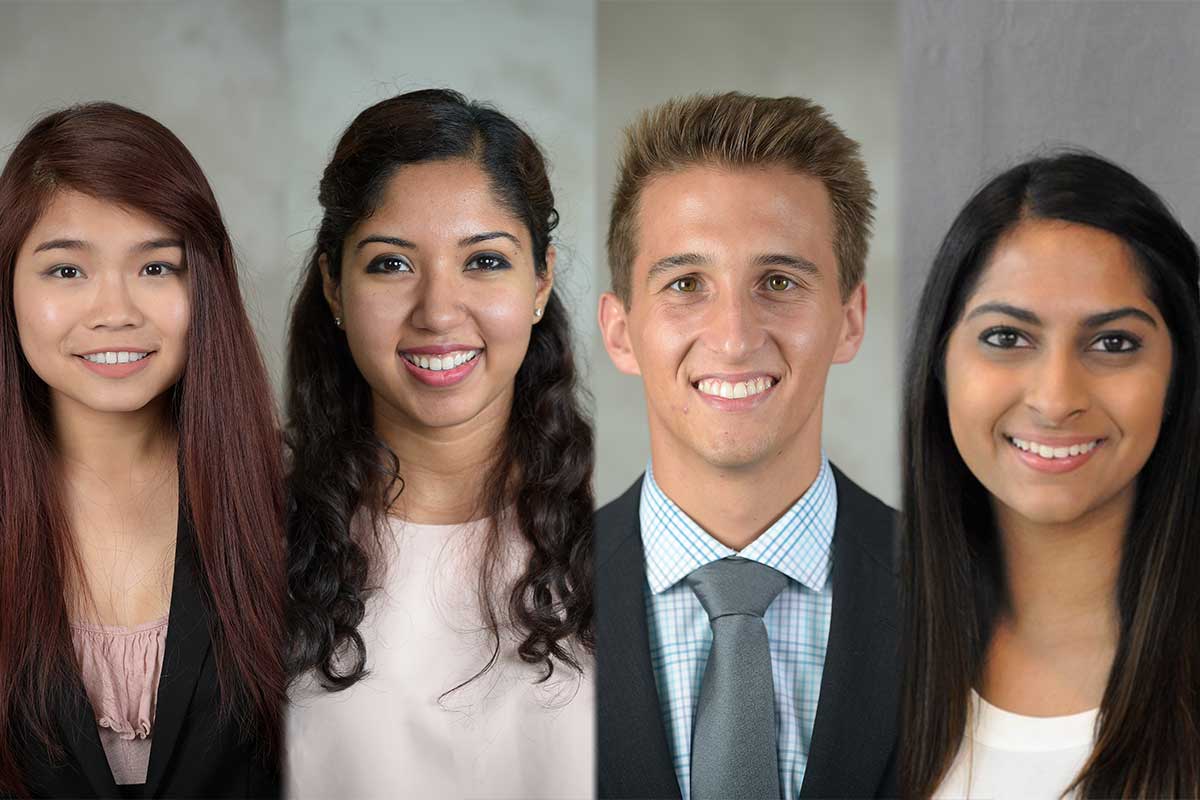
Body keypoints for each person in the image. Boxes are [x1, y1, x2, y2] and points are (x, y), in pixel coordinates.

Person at [284, 89, 594, 799]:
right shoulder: (244, 537)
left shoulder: (628, 533)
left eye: (484, 262)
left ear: (540, 281)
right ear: (334, 286)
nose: (438, 311)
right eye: (391, 265)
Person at [596, 92, 899, 800]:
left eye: (778, 281)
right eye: (686, 283)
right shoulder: (522, 600)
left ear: (850, 320)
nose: (734, 337)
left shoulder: (968, 596)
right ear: (620, 332)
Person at [0, 103, 285, 798]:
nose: (116, 310)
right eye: (66, 272)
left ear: (204, 285)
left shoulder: (296, 501)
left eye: (157, 268)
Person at [900, 151, 1200, 798]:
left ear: (1178, 376)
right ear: (939, 364)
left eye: (1114, 343)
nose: (1056, 397)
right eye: (1007, 338)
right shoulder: (850, 652)